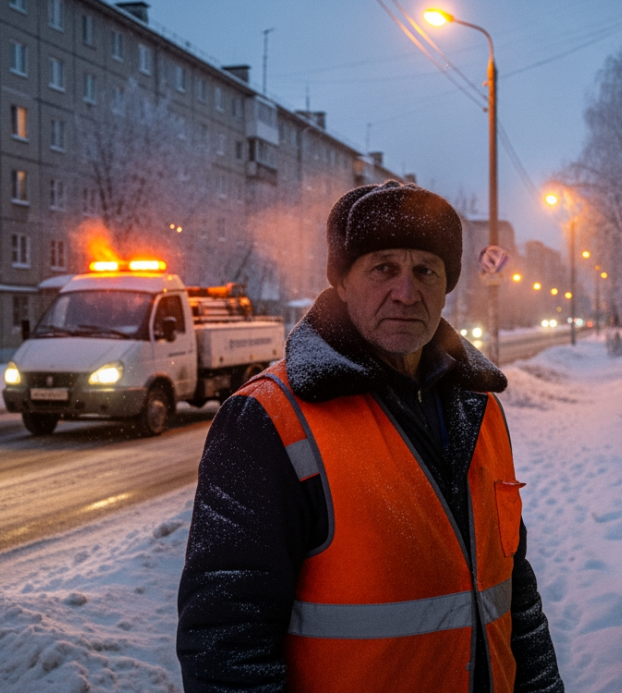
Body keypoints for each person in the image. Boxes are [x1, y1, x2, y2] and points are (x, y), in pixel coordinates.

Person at [177, 180, 564, 693]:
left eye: (426, 270)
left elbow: (514, 590)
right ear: (339, 280)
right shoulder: (267, 420)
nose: (406, 292)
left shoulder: (481, 408)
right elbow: (225, 645)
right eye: (383, 267)